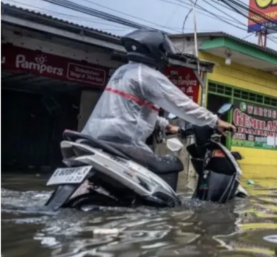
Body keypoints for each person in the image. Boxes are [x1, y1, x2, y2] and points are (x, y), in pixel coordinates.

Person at [81, 29, 236, 191]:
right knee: (172, 164)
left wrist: (166, 125)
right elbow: (182, 105)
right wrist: (215, 121)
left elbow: (130, 109)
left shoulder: (122, 72)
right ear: (156, 51)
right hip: (123, 144)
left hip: (94, 139)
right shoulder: (147, 75)